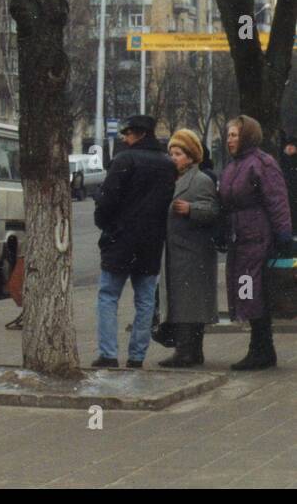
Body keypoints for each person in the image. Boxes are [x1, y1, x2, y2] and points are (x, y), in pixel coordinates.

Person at [92, 114, 176, 368]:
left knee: (108, 295)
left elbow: (107, 201)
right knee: (145, 300)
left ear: (138, 134)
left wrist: (105, 224)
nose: (125, 138)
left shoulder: (124, 160)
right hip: (151, 241)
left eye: (128, 134)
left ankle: (108, 354)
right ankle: (137, 357)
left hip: (120, 239)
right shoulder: (167, 164)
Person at [218, 115, 290, 371]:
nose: (229, 140)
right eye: (228, 135)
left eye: (234, 135)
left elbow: (277, 199)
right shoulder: (233, 166)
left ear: (247, 135)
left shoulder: (262, 163)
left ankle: (260, 348)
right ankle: (261, 347)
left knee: (252, 290)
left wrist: (283, 235)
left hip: (257, 238)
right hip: (240, 239)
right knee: (245, 291)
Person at [157, 129, 220, 367]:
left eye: (179, 153)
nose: (174, 157)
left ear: (192, 157)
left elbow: (213, 211)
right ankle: (190, 351)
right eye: (172, 153)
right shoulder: (172, 179)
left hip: (193, 252)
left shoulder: (201, 180)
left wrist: (192, 209)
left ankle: (187, 351)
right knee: (182, 300)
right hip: (177, 252)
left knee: (189, 302)